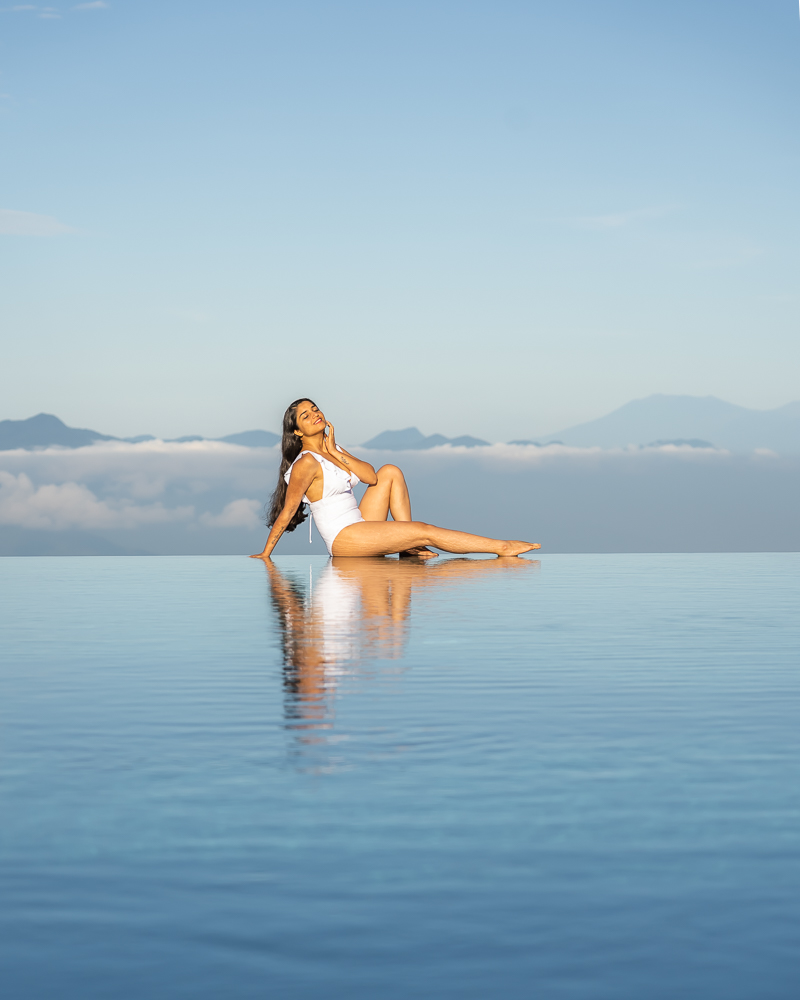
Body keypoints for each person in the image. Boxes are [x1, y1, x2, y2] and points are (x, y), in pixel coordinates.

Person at [250, 398, 541, 560]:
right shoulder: (306, 463)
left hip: (359, 523)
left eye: (315, 409)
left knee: (390, 471)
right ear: (298, 432)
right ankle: (501, 547)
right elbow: (288, 510)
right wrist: (266, 554)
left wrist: (335, 452)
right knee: (423, 530)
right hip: (344, 538)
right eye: (305, 416)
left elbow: (371, 477)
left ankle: (407, 547)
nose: (315, 414)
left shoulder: (331, 449)